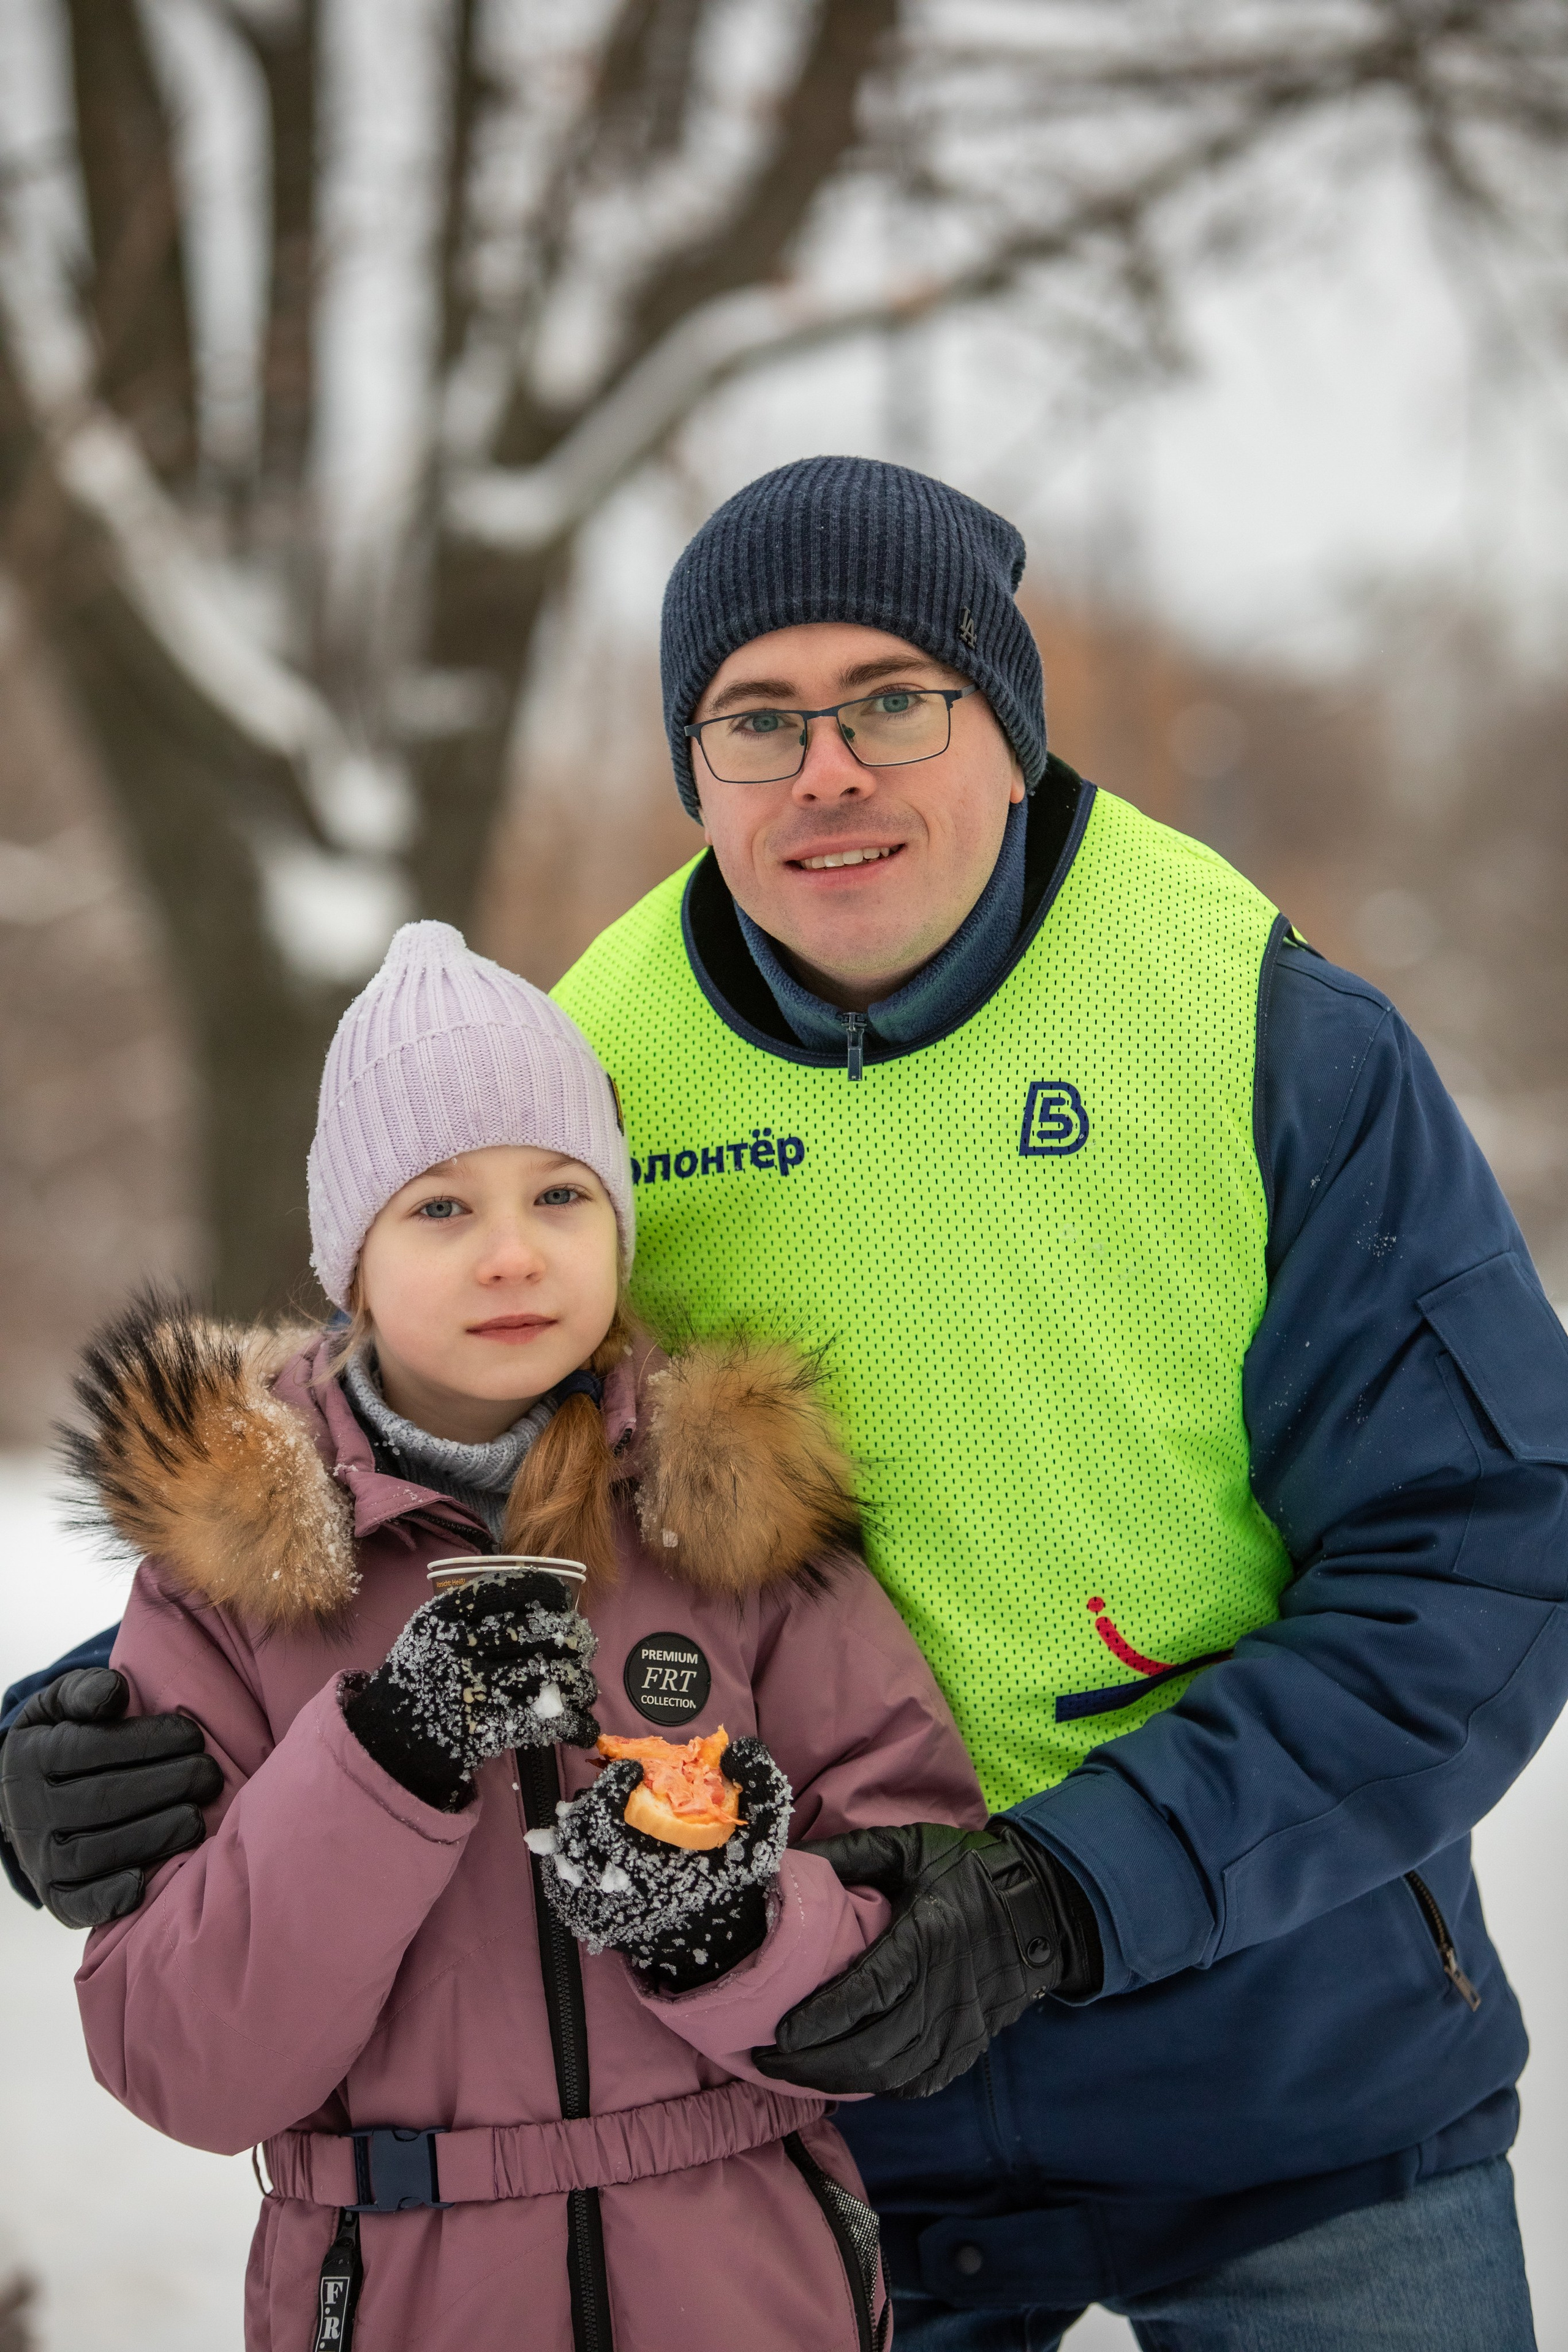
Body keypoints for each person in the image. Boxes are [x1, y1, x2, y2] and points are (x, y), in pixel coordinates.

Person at [6, 456, 1567, 2351]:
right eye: (757, 720)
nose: (827, 769)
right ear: (698, 771)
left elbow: (1478, 1563)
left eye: (892, 697)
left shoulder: (1259, 1032)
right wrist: (107, 1721)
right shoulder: (603, 1079)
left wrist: (1066, 1894)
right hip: (821, 2122)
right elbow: (444, 1462)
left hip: (1289, 2084)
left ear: (1005, 730)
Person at [36, 919, 995, 2352]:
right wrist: (384, 1761)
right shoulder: (229, 1574)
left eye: (558, 1195)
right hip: (402, 2287)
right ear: (348, 1257)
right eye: (439, 1209)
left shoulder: (731, 1512)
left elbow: (916, 1917)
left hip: (743, 2284)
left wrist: (734, 1925)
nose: (511, 1257)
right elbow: (186, 2065)